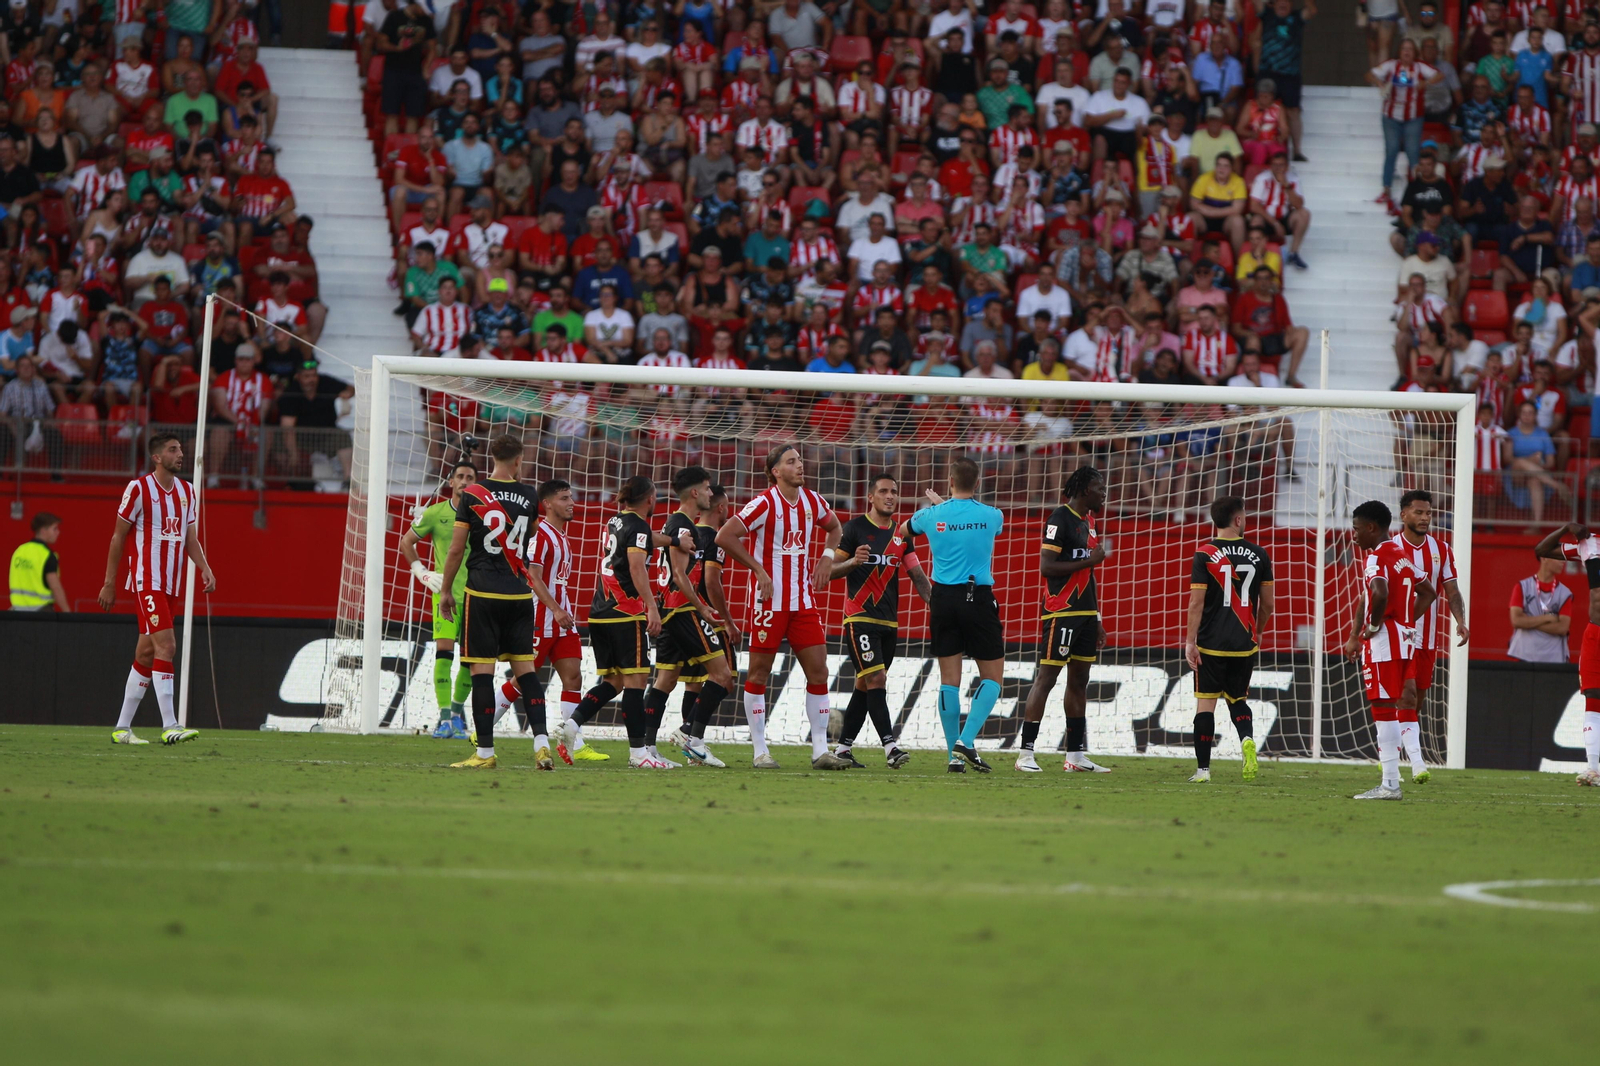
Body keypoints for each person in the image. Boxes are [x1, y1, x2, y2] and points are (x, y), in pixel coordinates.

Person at [715, 444, 850, 770]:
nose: (800, 465)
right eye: (792, 461)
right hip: (769, 602)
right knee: (759, 673)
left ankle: (820, 752)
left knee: (819, 670)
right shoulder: (764, 503)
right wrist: (758, 569)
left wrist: (826, 558)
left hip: (803, 601)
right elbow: (724, 536)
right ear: (776, 471)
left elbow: (835, 528)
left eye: (800, 459)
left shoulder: (812, 501)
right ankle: (760, 751)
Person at [565, 475, 694, 768]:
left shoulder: (616, 522)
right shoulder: (637, 526)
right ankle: (639, 754)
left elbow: (647, 537)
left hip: (599, 612)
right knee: (636, 682)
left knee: (614, 681)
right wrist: (651, 607)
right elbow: (637, 568)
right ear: (650, 500)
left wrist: (675, 540)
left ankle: (571, 726)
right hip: (625, 613)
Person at [436, 434, 546, 771]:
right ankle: (542, 744)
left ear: (492, 459)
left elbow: (456, 549)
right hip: (518, 593)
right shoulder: (530, 496)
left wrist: (444, 590)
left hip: (482, 593)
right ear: (518, 460)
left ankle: (484, 753)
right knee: (526, 672)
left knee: (482, 673)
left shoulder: (472, 494)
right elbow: (528, 542)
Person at [99, 433, 214, 746]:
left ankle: (122, 728)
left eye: (180, 449)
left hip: (172, 584)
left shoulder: (187, 492)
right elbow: (117, 537)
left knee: (147, 652)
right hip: (147, 580)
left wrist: (204, 567)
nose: (181, 454)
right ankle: (170, 725)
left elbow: (190, 539)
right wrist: (110, 583)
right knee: (167, 646)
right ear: (157, 457)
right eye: (173, 450)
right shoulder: (138, 489)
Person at [897, 456, 1005, 773]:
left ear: (950, 481)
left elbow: (903, 532)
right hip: (978, 598)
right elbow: (973, 528)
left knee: (949, 681)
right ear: (978, 481)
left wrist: (941, 508)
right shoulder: (992, 515)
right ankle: (966, 740)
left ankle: (953, 757)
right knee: (993, 678)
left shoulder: (930, 516)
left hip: (942, 598)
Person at [828, 472, 932, 769]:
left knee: (865, 684)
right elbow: (831, 569)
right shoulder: (855, 529)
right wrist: (852, 562)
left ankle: (843, 749)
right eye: (884, 491)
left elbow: (918, 577)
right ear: (870, 497)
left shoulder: (902, 535)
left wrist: (938, 607)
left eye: (895, 492)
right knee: (877, 679)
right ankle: (891, 747)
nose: (890, 496)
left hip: (888, 624)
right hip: (859, 617)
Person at [1016, 464, 1112, 773]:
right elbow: (1046, 567)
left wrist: (1097, 617)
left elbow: (1090, 573)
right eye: (1100, 488)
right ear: (1085, 490)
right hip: (1062, 611)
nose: (1104, 493)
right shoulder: (1059, 519)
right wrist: (1088, 559)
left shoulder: (1089, 522)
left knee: (1080, 682)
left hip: (1085, 614)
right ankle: (1025, 754)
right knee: (1047, 678)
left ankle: (1075, 756)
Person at [1344, 500, 1437, 800]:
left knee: (1383, 710)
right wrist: (1406, 621)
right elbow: (1429, 592)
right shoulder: (1401, 555)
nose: (1354, 535)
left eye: (1357, 529)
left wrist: (1373, 627)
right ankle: (1394, 780)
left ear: (1371, 528)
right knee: (1393, 708)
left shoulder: (1376, 559)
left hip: (1384, 643)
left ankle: (1390, 785)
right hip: (1405, 640)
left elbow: (1379, 592)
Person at [646, 467, 736, 768]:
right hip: (683, 610)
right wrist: (702, 608)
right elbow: (679, 575)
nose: (712, 493)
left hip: (672, 610)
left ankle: (646, 747)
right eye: (708, 488)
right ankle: (694, 741)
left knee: (666, 681)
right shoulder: (684, 526)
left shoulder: (676, 522)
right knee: (722, 676)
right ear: (696, 492)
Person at [1183, 495, 1274, 784]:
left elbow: (1196, 603)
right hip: (1243, 643)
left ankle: (1203, 771)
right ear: (1237, 520)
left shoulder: (1205, 554)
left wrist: (1189, 641)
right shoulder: (1259, 554)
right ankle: (1246, 739)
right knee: (1238, 700)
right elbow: (1268, 604)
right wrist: (1255, 630)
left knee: (1206, 703)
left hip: (1211, 642)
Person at [1387, 489, 1470, 783]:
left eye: (1428, 513)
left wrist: (1460, 621)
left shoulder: (1442, 550)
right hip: (1398, 638)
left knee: (1417, 699)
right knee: (1406, 696)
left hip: (1427, 640)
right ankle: (1417, 763)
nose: (1424, 518)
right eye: (1419, 512)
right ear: (1404, 515)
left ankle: (1395, 753)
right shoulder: (1389, 549)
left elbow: (1452, 590)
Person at [398, 461, 478, 739]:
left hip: (475, 597)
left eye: (470, 477)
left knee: (470, 661)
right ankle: (444, 719)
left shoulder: (482, 515)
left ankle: (457, 717)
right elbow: (406, 542)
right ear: (451, 482)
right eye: (460, 476)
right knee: (444, 655)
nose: (464, 481)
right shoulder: (436, 512)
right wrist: (420, 572)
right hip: (444, 596)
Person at [1534, 523, 1600, 784]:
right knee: (1593, 697)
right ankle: (1593, 768)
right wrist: (1565, 528)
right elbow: (1543, 549)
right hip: (1596, 632)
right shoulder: (1589, 544)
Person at [1506, 552, 1572, 663]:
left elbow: (1562, 628)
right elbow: (1516, 621)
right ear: (1544, 558)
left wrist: (1527, 621)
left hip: (1554, 660)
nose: (1563, 562)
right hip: (1524, 656)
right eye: (1558, 558)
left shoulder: (1565, 593)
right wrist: (1548, 618)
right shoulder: (1522, 587)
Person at [10, 511, 67, 612]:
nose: (58, 532)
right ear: (43, 531)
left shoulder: (19, 551)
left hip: (17, 612)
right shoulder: (47, 555)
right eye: (54, 528)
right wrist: (67, 613)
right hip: (41, 613)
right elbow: (55, 588)